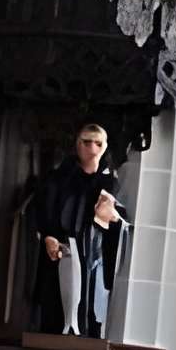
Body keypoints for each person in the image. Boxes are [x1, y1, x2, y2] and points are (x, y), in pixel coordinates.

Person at [25, 121, 127, 337]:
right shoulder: (58, 178)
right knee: (55, 308)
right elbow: (40, 212)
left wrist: (113, 219)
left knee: (89, 310)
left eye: (98, 144)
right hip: (61, 251)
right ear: (77, 145)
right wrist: (47, 236)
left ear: (105, 147)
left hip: (93, 256)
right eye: (86, 142)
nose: (92, 149)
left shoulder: (111, 184)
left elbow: (121, 225)